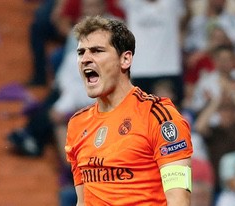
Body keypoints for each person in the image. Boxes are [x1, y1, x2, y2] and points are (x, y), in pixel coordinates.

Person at [65, 16, 193, 205]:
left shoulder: (159, 117)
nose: (85, 59)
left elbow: (179, 200)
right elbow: (83, 202)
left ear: (125, 59)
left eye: (97, 51)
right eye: (81, 53)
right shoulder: (77, 124)